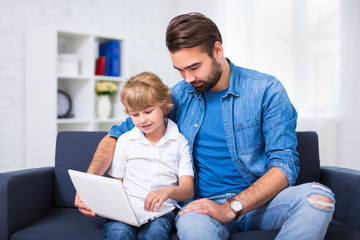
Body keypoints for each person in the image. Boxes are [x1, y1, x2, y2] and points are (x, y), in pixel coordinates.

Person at [76, 13, 335, 240]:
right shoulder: (178, 95)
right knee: (191, 226)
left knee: (319, 198)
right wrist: (90, 185)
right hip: (201, 207)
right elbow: (116, 136)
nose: (188, 78)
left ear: (217, 51)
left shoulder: (267, 90)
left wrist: (231, 208)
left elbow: (285, 165)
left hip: (262, 203)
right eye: (179, 70)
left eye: (194, 67)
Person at [101, 72, 194, 240]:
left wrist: (168, 191)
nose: (142, 120)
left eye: (148, 111)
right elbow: (116, 184)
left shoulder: (179, 142)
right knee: (119, 233)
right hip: (127, 209)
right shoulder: (125, 141)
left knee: (155, 234)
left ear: (164, 106)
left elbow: (188, 190)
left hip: (162, 211)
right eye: (134, 114)